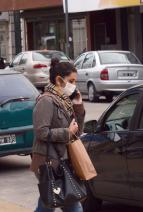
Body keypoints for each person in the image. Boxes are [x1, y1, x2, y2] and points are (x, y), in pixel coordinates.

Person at [30, 59, 85, 212]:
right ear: (59, 80)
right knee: (54, 203)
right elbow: (41, 132)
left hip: (63, 160)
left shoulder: (65, 101)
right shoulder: (46, 101)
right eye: (71, 81)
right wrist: (67, 132)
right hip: (48, 161)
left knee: (59, 203)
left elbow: (77, 132)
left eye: (75, 81)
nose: (74, 85)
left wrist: (78, 106)